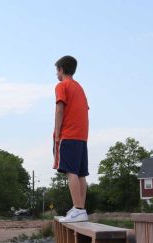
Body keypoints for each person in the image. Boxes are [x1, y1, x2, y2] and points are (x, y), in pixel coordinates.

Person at [52, 55, 90, 223]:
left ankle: (78, 209)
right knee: (81, 173)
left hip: (69, 134)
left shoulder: (62, 86)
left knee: (71, 172)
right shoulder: (79, 88)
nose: (56, 74)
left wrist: (58, 134)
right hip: (82, 136)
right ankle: (80, 209)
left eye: (56, 71)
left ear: (61, 70)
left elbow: (60, 110)